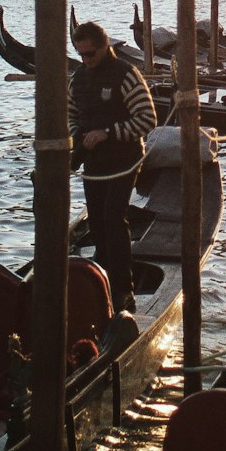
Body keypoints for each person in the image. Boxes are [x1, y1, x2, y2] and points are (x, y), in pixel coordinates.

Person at [69, 20, 157, 313]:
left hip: (125, 160)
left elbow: (147, 119)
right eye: (80, 55)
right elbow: (70, 116)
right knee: (96, 223)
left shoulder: (126, 75)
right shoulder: (78, 80)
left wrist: (108, 132)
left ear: (105, 47)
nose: (86, 60)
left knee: (113, 218)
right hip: (94, 163)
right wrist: (78, 136)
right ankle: (101, 283)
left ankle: (123, 290)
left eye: (90, 54)